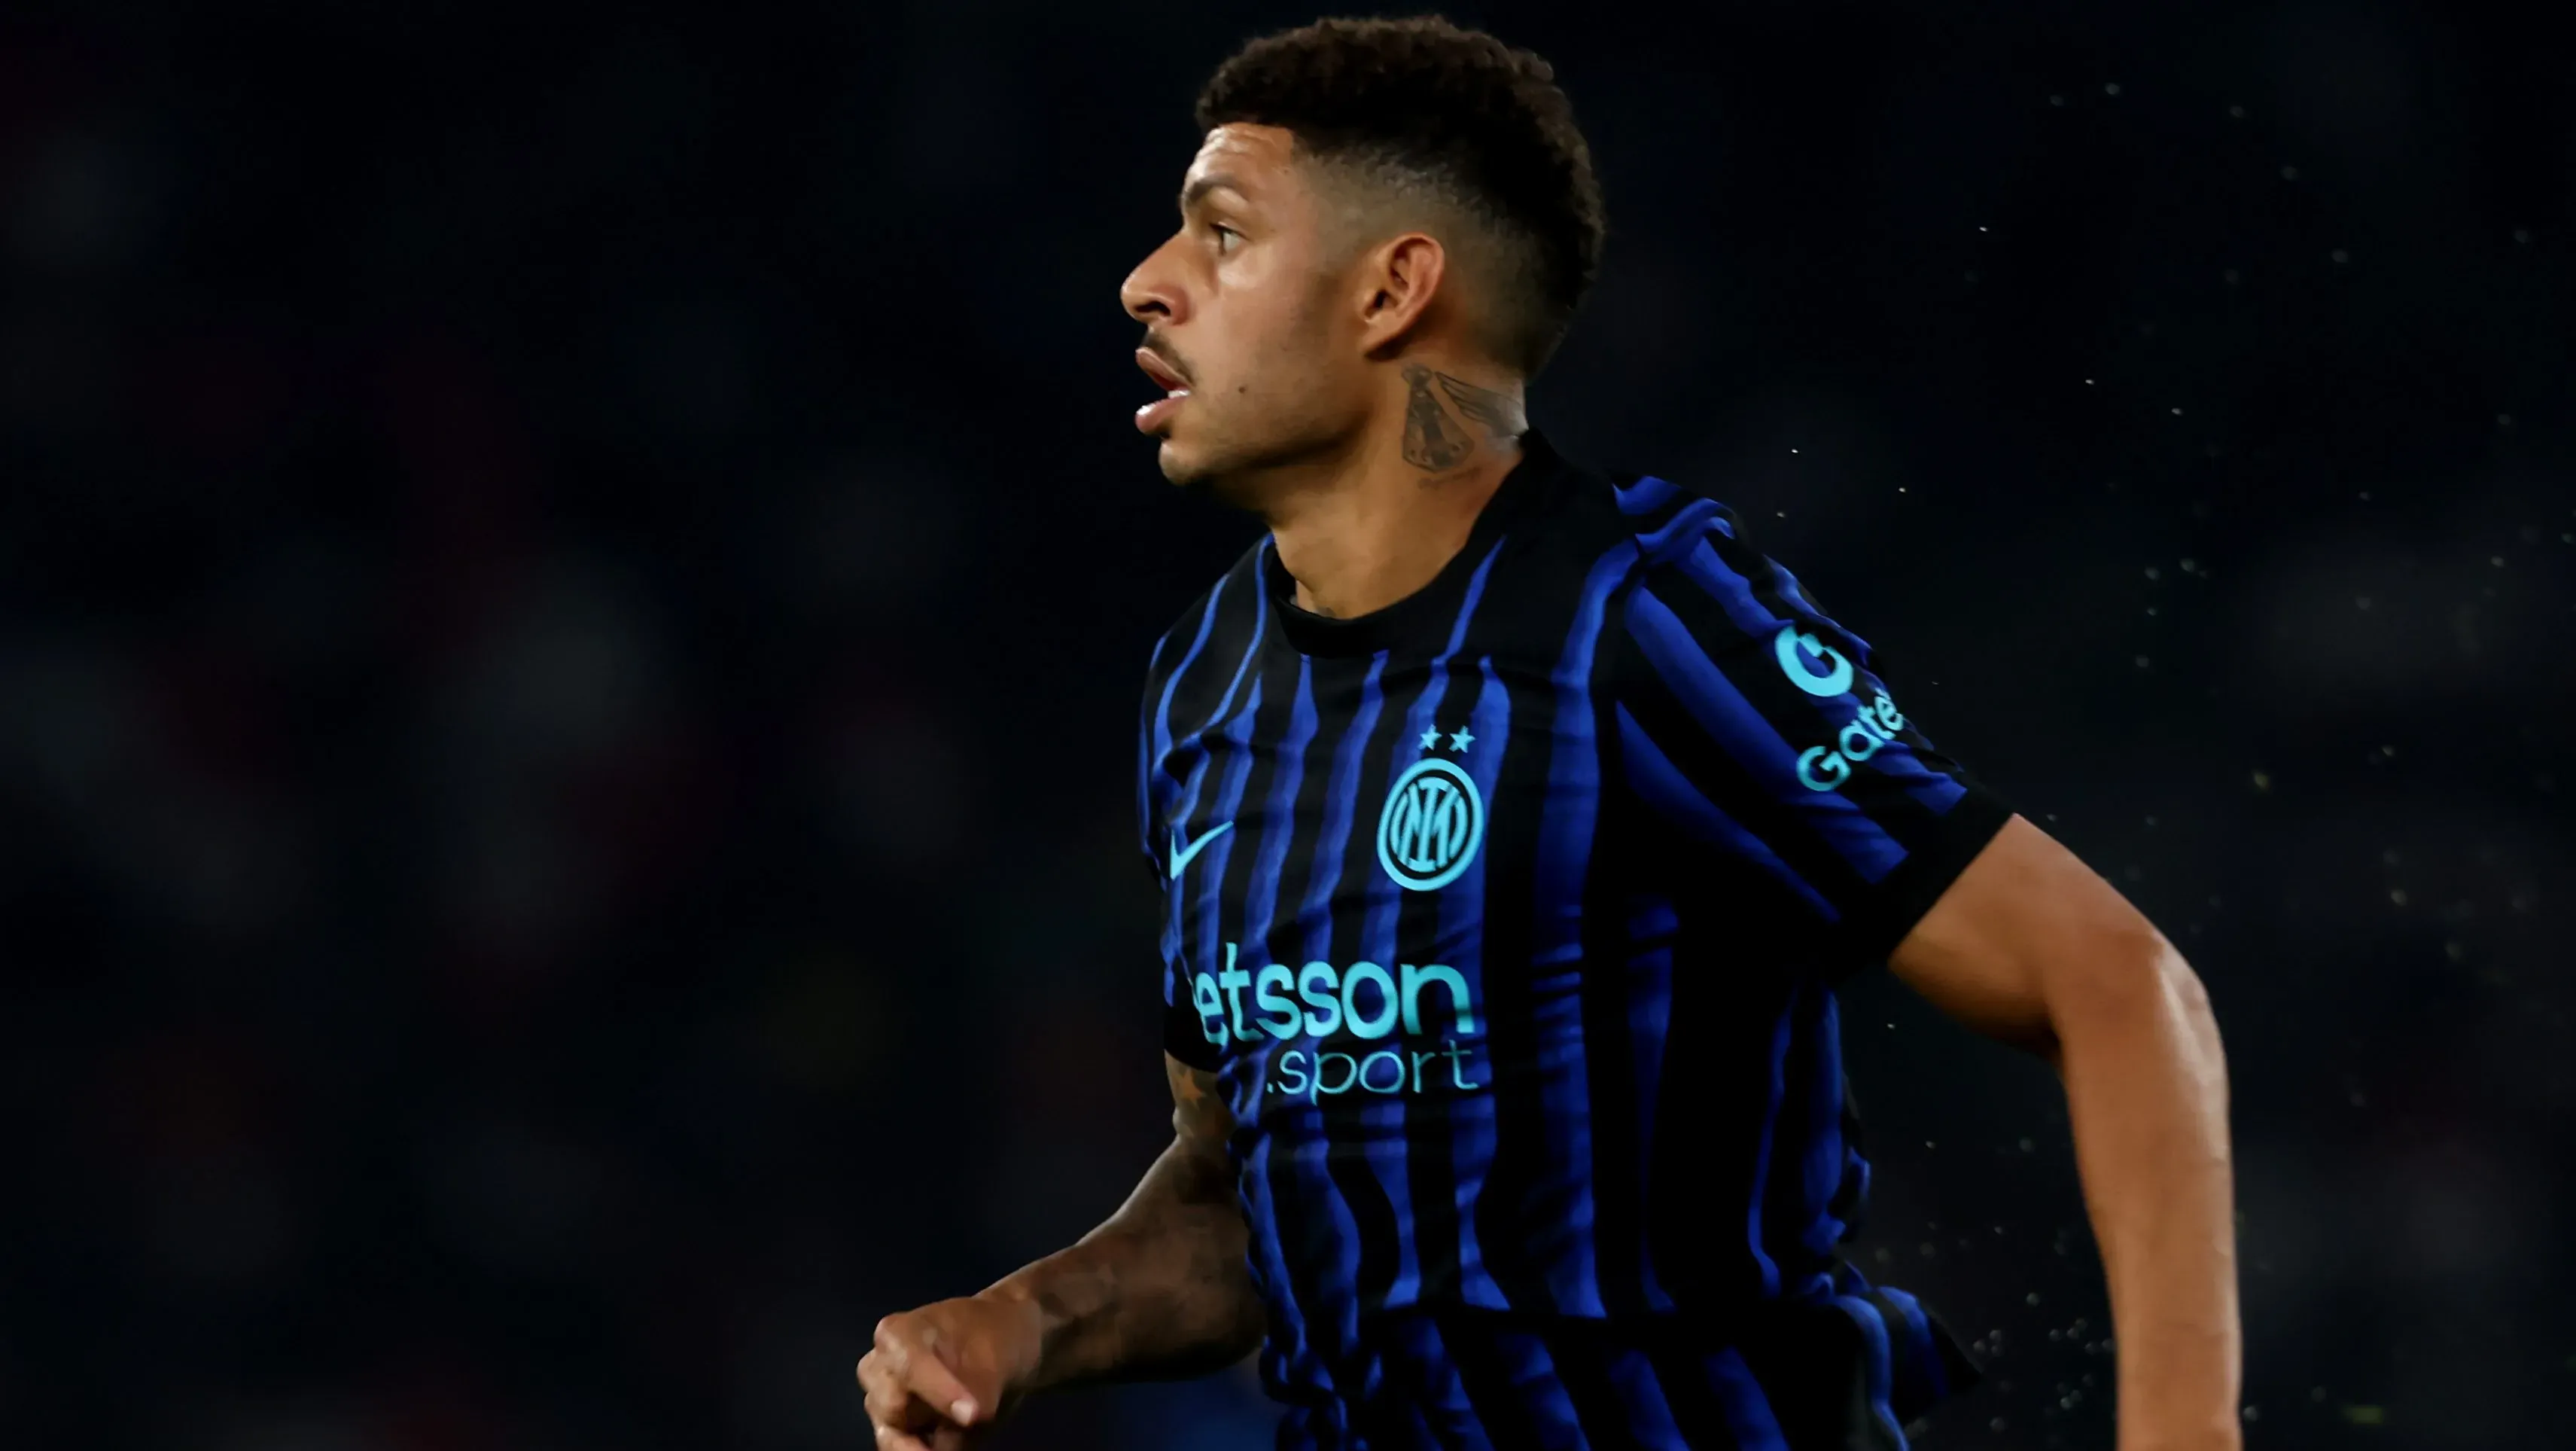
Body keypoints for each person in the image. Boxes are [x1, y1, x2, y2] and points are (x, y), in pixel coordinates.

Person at [857, 16, 2240, 1449]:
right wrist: (1022, 1323)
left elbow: (2119, 988)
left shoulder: (1643, 626)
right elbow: (1242, 1197)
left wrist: (2184, 1432)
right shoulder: (1205, 682)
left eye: (1221, 232)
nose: (1148, 282)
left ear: (1392, 290)